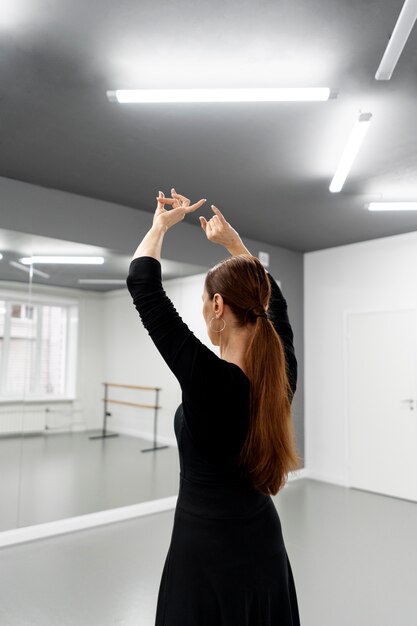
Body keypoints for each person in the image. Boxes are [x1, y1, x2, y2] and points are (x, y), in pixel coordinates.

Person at [126, 188, 302, 626]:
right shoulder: (279, 376)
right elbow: (275, 305)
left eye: (205, 303)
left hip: (203, 555)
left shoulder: (212, 382)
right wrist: (234, 246)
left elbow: (142, 284)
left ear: (218, 306)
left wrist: (160, 225)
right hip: (264, 547)